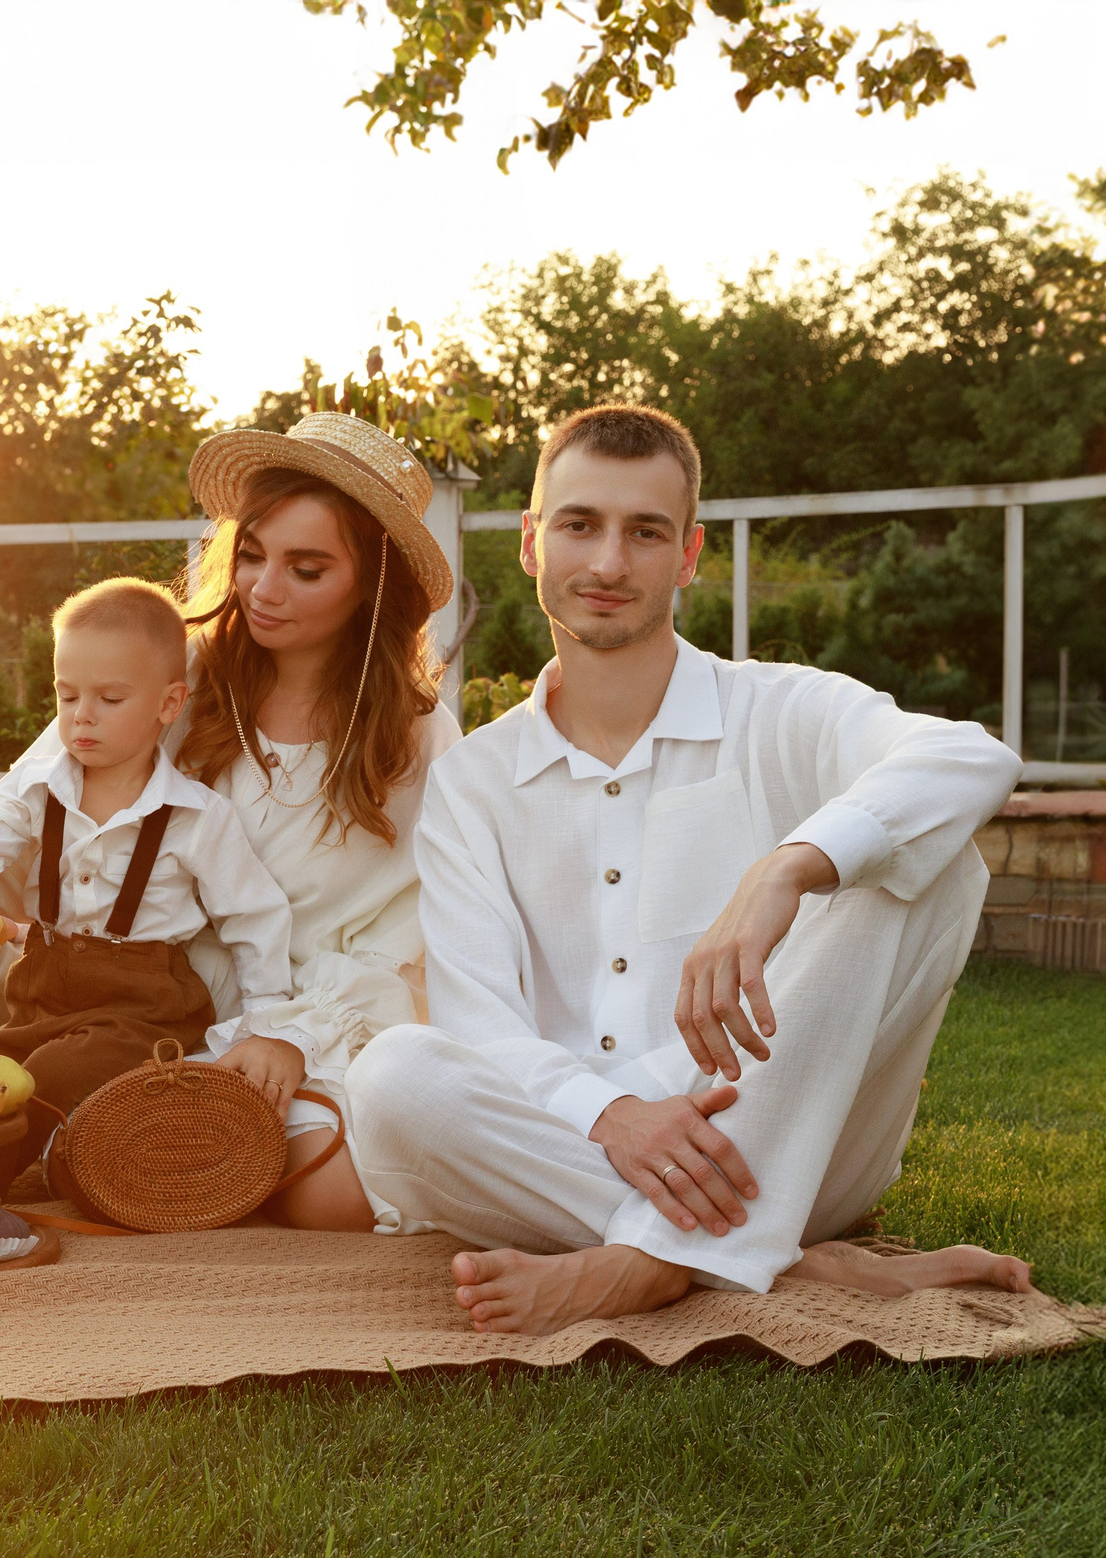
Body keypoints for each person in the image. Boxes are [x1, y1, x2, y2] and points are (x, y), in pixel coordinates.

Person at [346, 404, 1036, 1336]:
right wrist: (615, 1113)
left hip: (795, 1139)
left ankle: (649, 1264)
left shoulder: (778, 709)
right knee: (390, 1077)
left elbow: (970, 756)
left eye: (645, 532)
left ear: (689, 554)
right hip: (583, 1142)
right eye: (579, 524)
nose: (607, 563)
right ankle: (767, 1255)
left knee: (927, 863)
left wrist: (785, 870)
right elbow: (483, 1026)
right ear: (531, 541)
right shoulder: (473, 780)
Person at [0, 412, 460, 1226]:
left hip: (301, 1026)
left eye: (307, 568)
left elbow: (411, 935)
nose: (264, 588)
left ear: (373, 584)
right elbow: (35, 804)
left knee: (333, 1192)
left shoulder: (416, 738)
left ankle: (116, 1149)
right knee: (71, 1097)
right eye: (251, 555)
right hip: (129, 1006)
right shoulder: (173, 675)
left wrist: (290, 1035)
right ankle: (101, 1144)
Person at [0, 578, 294, 1149]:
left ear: (169, 704)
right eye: (67, 697)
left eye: (109, 700)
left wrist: (265, 1021)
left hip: (142, 1011)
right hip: (41, 993)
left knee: (43, 1081)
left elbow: (253, 916)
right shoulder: (40, 785)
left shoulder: (196, 815)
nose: (82, 717)